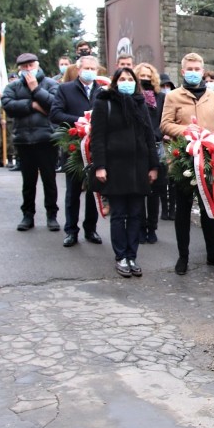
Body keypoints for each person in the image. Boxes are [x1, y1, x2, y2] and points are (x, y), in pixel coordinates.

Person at [160, 52, 214, 275]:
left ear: (202, 71)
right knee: (183, 209)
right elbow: (165, 125)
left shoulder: (212, 96)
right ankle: (183, 256)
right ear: (182, 71)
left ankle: (213, 253)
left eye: (197, 69)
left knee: (209, 207)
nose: (193, 72)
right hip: (183, 160)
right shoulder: (173, 96)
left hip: (208, 158)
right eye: (189, 69)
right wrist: (186, 130)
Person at [90, 67, 159, 277]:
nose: (126, 82)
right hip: (115, 167)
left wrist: (153, 166)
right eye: (122, 78)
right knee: (119, 214)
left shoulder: (140, 103)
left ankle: (132, 255)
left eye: (130, 79)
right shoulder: (104, 102)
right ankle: (120, 256)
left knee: (136, 214)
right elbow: (98, 137)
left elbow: (149, 136)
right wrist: (100, 166)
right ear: (115, 81)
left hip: (138, 167)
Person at [1, 53, 61, 232]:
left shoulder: (50, 84)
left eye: (31, 65)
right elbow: (8, 105)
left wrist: (36, 90)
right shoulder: (13, 86)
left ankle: (52, 215)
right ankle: (28, 215)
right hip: (24, 140)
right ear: (19, 68)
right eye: (24, 66)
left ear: (37, 65)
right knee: (28, 181)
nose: (28, 69)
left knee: (49, 179)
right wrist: (32, 105)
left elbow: (54, 104)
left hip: (46, 139)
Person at [50, 55, 104, 248]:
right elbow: (55, 114)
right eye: (86, 68)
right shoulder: (65, 89)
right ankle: (71, 231)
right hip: (74, 146)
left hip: (96, 148)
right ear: (79, 69)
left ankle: (91, 229)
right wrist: (81, 121)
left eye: (93, 68)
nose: (90, 71)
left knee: (93, 190)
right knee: (73, 191)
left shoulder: (102, 91)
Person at [135, 62, 167, 244]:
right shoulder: (134, 97)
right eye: (142, 76)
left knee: (155, 190)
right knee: (141, 190)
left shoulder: (161, 97)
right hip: (138, 147)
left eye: (148, 76)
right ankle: (140, 226)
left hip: (156, 145)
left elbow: (164, 119)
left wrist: (155, 134)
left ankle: (152, 227)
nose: (145, 79)